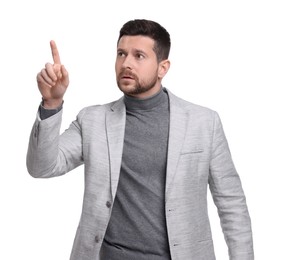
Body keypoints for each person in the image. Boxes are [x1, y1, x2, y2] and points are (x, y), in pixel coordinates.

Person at [27, 19, 254, 260]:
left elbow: (231, 204)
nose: (126, 63)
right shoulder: (93, 120)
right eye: (121, 54)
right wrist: (52, 103)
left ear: (162, 68)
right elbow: (42, 167)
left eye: (139, 56)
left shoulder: (203, 122)